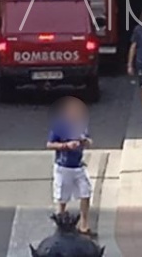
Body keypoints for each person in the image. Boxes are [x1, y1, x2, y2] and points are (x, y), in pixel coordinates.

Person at [46, 96, 94, 236]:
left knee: (85, 192)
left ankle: (84, 225)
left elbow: (89, 141)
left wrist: (85, 141)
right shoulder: (59, 126)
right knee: (62, 198)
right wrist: (66, 145)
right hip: (63, 166)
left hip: (79, 166)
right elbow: (49, 144)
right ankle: (60, 227)